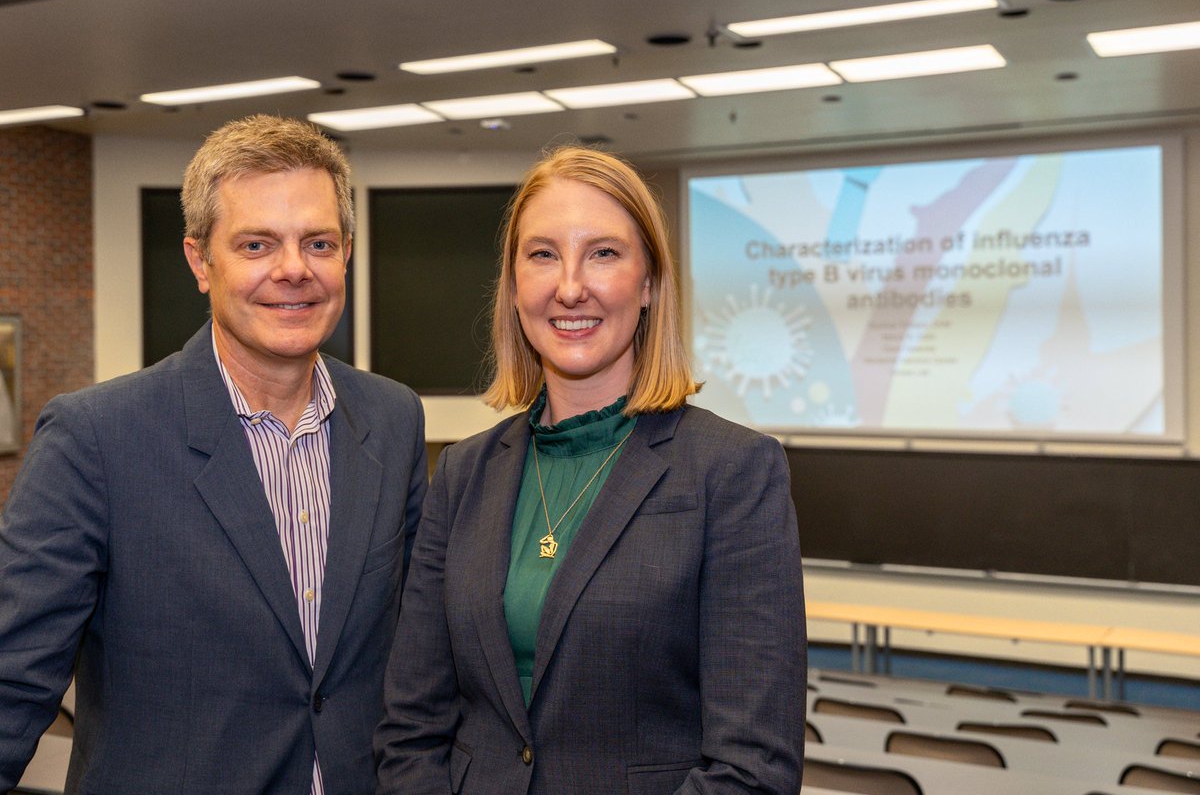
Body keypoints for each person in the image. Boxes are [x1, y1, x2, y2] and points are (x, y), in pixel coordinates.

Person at [0, 115, 428, 794]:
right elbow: (12, 679)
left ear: (347, 250)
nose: (294, 270)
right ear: (201, 261)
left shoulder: (392, 418)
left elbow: (413, 657)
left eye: (318, 242)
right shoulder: (96, 438)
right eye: (256, 244)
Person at [375, 146, 805, 794]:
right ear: (515, 284)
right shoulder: (463, 475)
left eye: (603, 253)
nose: (569, 285)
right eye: (542, 254)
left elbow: (753, 767)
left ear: (650, 283)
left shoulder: (734, 473)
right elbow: (411, 725)